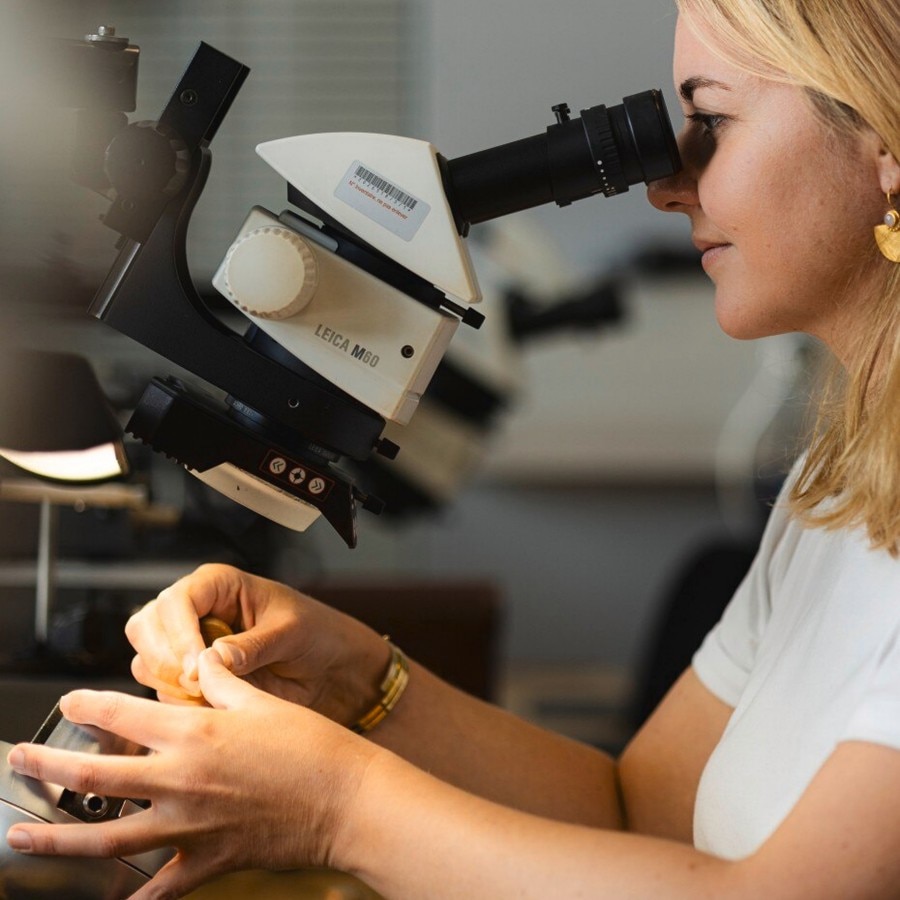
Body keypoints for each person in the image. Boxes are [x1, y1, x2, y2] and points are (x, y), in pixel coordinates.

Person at [6, 0, 900, 896]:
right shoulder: (835, 490)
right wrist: (356, 678)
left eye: (711, 120)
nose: (669, 184)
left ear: (884, 144)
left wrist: (336, 808)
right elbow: (639, 813)